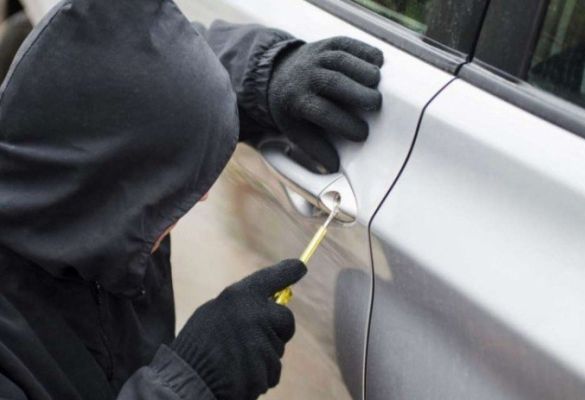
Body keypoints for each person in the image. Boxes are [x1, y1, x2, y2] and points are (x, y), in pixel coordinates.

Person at [0, 0, 383, 399]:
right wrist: (192, 381)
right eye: (165, 186)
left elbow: (148, 67)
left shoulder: (75, 188)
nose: (201, 198)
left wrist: (266, 74)